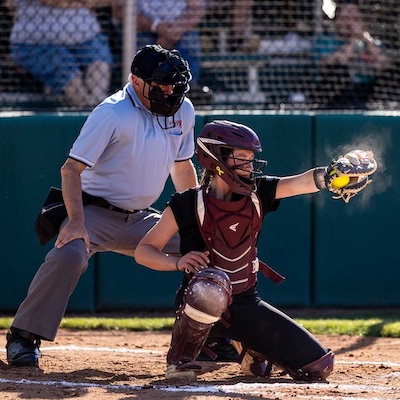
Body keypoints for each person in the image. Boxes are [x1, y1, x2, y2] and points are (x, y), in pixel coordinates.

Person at [5, 44, 198, 368]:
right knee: (69, 253)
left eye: (173, 83)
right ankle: (23, 336)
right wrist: (77, 223)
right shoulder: (112, 113)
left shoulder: (183, 110)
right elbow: (70, 170)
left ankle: (214, 337)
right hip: (94, 213)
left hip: (143, 220)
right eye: (161, 83)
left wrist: (196, 221)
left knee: (210, 247)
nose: (169, 90)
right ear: (137, 82)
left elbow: (182, 168)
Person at [134, 120, 335, 381]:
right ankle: (181, 358)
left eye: (251, 159)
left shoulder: (258, 193)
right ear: (216, 158)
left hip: (245, 303)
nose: (249, 167)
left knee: (317, 366)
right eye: (241, 158)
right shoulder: (187, 203)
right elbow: (144, 251)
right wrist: (178, 261)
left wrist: (332, 175)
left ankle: (246, 346)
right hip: (200, 304)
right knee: (211, 284)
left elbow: (302, 183)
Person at [9, 0, 117, 107]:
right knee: (78, 92)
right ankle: (87, 113)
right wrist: (87, 3)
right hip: (38, 43)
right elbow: (53, 1)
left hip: (88, 38)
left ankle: (99, 111)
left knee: (99, 75)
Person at [312, 1, 391, 109]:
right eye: (345, 18)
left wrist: (365, 38)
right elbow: (338, 61)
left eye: (355, 19)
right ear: (337, 20)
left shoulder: (371, 43)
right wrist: (354, 41)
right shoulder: (326, 41)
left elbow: (384, 65)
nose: (350, 24)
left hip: (368, 94)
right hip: (336, 95)